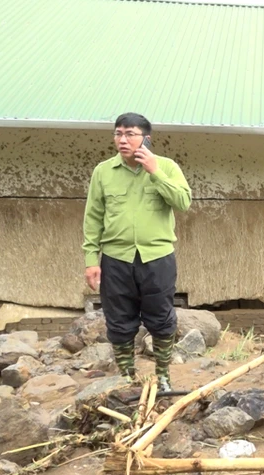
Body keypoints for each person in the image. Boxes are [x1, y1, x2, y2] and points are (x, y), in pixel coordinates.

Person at [82, 113, 192, 392]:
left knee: (162, 318)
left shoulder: (166, 166)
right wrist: (91, 260)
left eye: (130, 134)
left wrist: (155, 171)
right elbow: (93, 218)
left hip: (157, 258)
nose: (122, 139)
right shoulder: (103, 172)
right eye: (118, 133)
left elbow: (183, 202)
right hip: (116, 260)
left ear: (146, 138)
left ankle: (164, 376)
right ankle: (127, 377)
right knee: (118, 320)